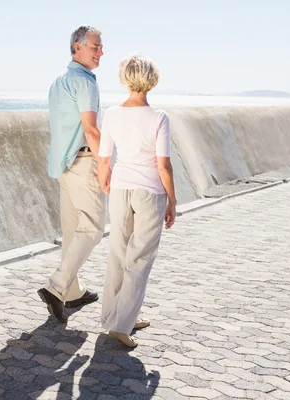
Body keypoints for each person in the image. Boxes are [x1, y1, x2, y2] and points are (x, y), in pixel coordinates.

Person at [97, 54, 177, 347]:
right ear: (151, 80)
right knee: (140, 258)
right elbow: (163, 166)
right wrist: (173, 201)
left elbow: (104, 158)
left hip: (120, 189)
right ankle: (121, 325)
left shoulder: (111, 114)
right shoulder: (159, 117)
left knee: (118, 253)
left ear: (125, 79)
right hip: (149, 192)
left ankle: (118, 317)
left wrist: (104, 180)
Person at [38, 25, 108, 323]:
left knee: (71, 233)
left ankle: (73, 291)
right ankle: (56, 288)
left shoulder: (58, 83)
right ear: (77, 47)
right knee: (92, 229)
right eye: (95, 47)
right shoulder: (85, 84)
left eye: (101, 47)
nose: (100, 52)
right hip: (83, 163)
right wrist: (105, 165)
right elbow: (91, 130)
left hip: (64, 165)